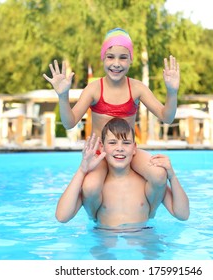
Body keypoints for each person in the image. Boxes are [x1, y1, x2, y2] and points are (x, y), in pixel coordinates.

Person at [43, 28, 180, 220]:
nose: (116, 64)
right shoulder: (94, 89)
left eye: (123, 57)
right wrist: (63, 96)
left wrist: (172, 92)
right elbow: (69, 122)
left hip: (127, 151)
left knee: (158, 175)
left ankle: (150, 211)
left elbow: (167, 117)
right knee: (90, 187)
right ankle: (95, 216)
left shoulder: (137, 88)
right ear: (103, 58)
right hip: (99, 153)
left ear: (131, 60)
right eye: (110, 57)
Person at [55, 118, 189, 229]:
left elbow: (183, 214)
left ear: (134, 148)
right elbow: (62, 217)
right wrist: (82, 170)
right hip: (104, 237)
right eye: (112, 143)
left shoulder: (144, 183)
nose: (119, 148)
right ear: (102, 147)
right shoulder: (98, 187)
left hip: (143, 238)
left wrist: (172, 176)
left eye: (126, 143)